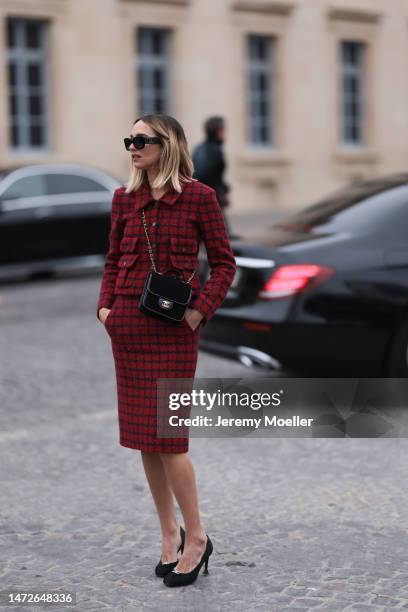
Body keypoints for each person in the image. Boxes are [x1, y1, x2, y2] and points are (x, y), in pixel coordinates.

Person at [96, 114, 236, 587]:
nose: (132, 147)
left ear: (168, 144)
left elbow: (223, 264)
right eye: (129, 140)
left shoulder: (199, 197)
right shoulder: (124, 199)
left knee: (170, 441)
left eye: (142, 140)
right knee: (145, 441)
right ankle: (168, 533)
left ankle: (197, 537)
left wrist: (199, 312)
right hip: (129, 334)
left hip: (174, 334)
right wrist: (105, 309)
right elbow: (114, 259)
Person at [192, 116, 233, 238]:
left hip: (202, 196)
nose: (225, 133)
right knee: (219, 235)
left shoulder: (199, 148)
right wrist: (220, 190)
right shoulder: (214, 150)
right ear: (218, 131)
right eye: (223, 130)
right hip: (210, 198)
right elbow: (204, 174)